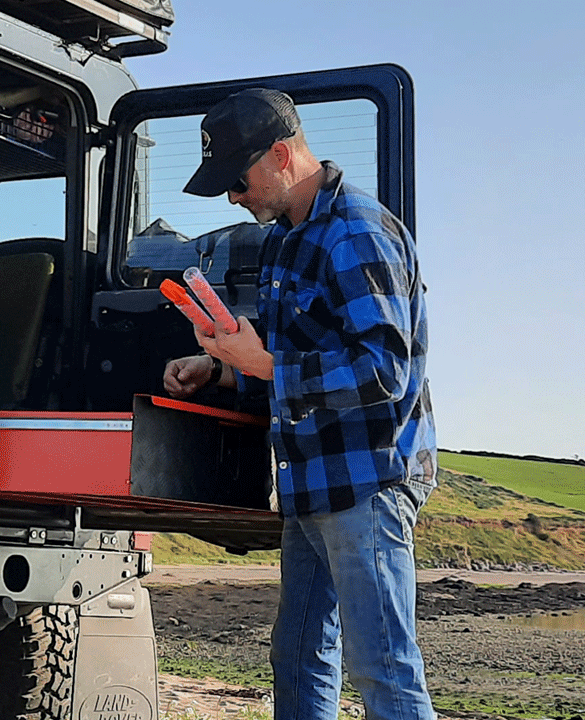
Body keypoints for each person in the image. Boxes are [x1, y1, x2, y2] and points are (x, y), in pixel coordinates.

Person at [162, 88, 437, 720]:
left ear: (282, 154)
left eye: (237, 180)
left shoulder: (358, 234)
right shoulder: (285, 242)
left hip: (368, 480)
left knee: (383, 669)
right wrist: (224, 372)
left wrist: (262, 363)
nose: (234, 197)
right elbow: (291, 368)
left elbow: (383, 372)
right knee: (298, 656)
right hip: (310, 483)